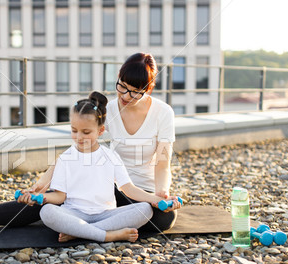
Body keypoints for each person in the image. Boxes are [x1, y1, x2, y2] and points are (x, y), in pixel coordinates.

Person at [0, 52, 179, 236]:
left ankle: (77, 230)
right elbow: (75, 151)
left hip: (142, 194)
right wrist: (44, 181)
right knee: (48, 199)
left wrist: (160, 193)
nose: (125, 97)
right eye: (122, 87)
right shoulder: (108, 110)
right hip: (107, 188)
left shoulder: (163, 112)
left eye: (135, 92)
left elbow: (163, 162)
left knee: (164, 218)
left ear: (149, 89)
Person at [17, 92, 180, 242]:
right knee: (46, 212)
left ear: (101, 130)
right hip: (74, 213)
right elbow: (60, 197)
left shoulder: (110, 156)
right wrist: (41, 197)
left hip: (106, 215)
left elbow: (129, 189)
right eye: (74, 131)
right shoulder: (65, 158)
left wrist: (157, 200)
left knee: (145, 209)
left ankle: (79, 232)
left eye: (86, 132)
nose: (79, 137)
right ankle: (108, 235)